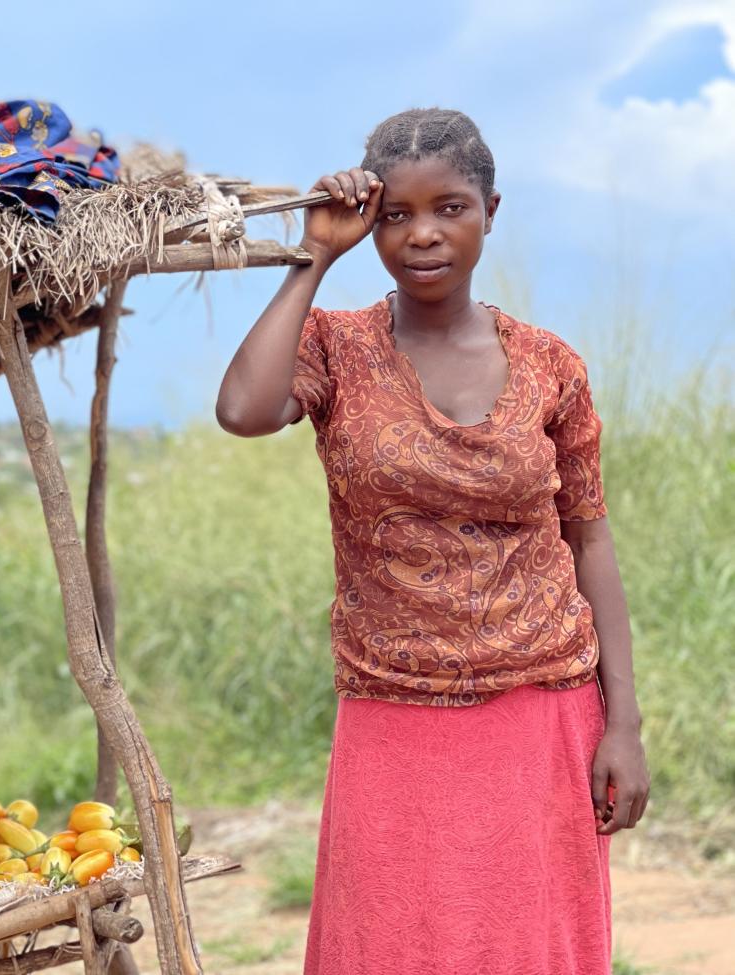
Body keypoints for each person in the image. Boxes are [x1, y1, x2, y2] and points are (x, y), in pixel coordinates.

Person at [215, 108, 650, 973]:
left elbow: (590, 541)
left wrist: (625, 722)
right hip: (392, 714)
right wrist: (315, 256)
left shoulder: (552, 364)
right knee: (389, 943)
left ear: (492, 209)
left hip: (543, 709)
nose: (422, 235)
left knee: (527, 947)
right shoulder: (336, 347)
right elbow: (244, 411)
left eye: (449, 207)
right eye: (396, 215)